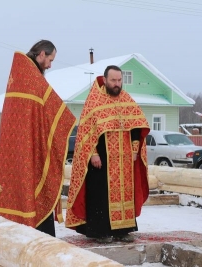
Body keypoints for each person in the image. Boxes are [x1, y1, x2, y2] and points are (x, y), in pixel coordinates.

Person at [0, 40, 76, 236]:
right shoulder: (31, 76)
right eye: (50, 60)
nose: (50, 65)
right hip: (27, 148)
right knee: (33, 186)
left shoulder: (21, 74)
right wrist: (67, 120)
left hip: (15, 149)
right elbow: (53, 109)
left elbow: (38, 113)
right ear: (42, 54)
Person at [65, 65, 150, 243]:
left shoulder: (126, 98)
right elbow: (87, 132)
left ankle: (123, 230)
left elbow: (137, 126)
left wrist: (135, 149)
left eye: (120, 80)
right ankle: (100, 232)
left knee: (125, 194)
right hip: (102, 158)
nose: (117, 84)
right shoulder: (95, 100)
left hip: (124, 159)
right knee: (100, 193)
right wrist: (93, 153)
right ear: (105, 80)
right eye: (113, 80)